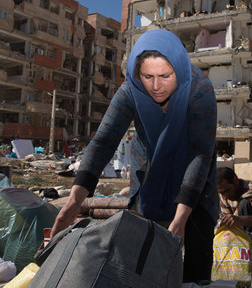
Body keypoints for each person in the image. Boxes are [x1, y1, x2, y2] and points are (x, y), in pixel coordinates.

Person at [50, 29, 218, 283]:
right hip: (150, 184)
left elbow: (201, 153)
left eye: (165, 76)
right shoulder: (131, 90)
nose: (156, 86)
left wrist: (181, 217)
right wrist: (74, 201)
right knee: (144, 267)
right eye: (148, 77)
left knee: (194, 270)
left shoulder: (199, 90)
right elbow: (104, 140)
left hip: (195, 189)